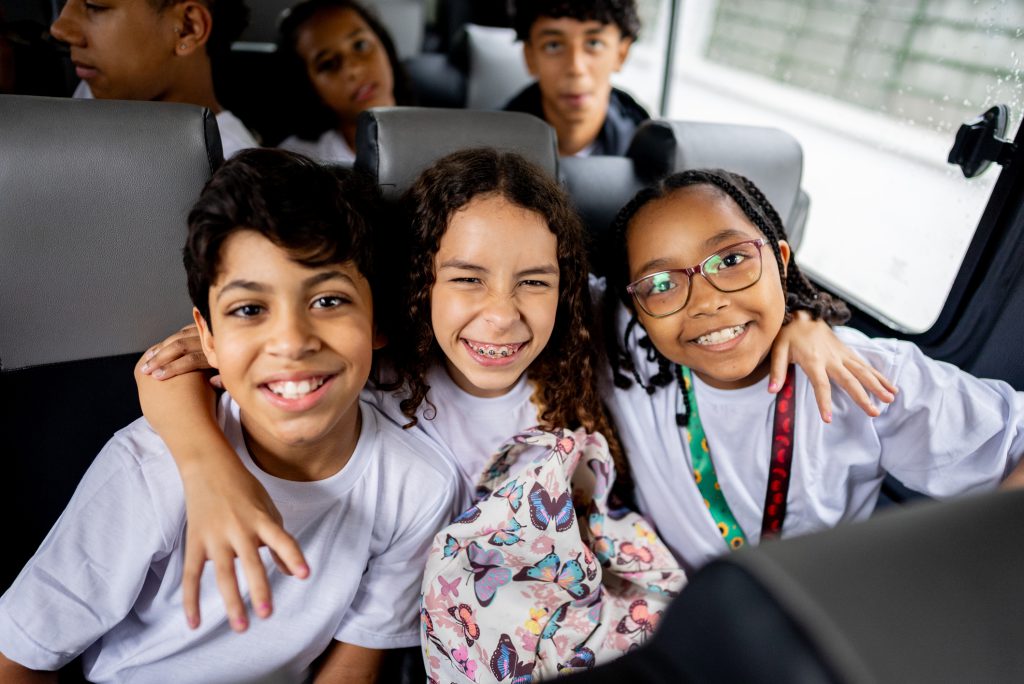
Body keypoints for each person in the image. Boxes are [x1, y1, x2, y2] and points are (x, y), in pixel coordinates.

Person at [133, 148, 894, 631]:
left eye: (534, 282)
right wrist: (205, 469)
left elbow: (702, 304)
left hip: (572, 619)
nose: (502, 315)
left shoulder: (589, 335)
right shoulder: (363, 360)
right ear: (419, 283)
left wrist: (801, 317)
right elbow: (173, 372)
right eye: (466, 280)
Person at [0, 149, 456, 682]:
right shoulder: (149, 471)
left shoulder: (418, 486)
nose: (291, 342)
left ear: (379, 322)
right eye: (249, 310)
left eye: (329, 301)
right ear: (207, 338)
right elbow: (18, 657)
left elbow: (354, 665)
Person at [601, 168, 1024, 571]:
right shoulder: (623, 347)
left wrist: (980, 573)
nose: (707, 302)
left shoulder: (860, 375)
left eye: (731, 260)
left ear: (781, 261)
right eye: (661, 284)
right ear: (633, 306)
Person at [50, 0, 258, 157]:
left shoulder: (232, 179)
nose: (59, 29)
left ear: (187, 29)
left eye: (94, 6)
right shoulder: (98, 87)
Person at [504, 0, 648, 157]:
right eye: (553, 45)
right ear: (529, 57)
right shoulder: (492, 148)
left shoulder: (649, 152)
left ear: (621, 54)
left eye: (594, 43)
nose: (575, 68)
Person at [276, 0, 412, 164]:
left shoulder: (436, 137)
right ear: (310, 87)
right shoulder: (297, 162)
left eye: (360, 45)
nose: (353, 70)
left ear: (386, 49)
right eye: (328, 64)